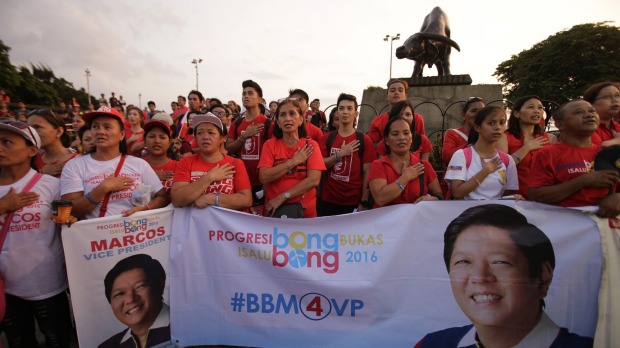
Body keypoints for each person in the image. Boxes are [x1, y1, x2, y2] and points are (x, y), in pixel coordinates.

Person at [415, 204, 593, 347]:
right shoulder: (432, 344)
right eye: (463, 262)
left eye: (499, 262)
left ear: (542, 276)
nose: (479, 276)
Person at [0, 119, 73, 347]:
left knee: (57, 340)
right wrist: (2, 206)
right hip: (6, 289)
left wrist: (69, 221)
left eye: (7, 142)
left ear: (32, 149)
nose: (0, 148)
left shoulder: (51, 185)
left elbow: (65, 221)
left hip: (47, 285)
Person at [60, 106, 168, 219]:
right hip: (95, 235)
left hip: (133, 234)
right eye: (95, 127)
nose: (100, 131)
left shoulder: (139, 164)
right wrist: (103, 188)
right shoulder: (75, 165)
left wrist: (145, 208)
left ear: (121, 135)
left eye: (107, 127)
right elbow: (68, 211)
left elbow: (162, 197)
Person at [529, 99, 620, 217]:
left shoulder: (609, 154)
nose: (589, 115)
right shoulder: (547, 154)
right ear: (560, 124)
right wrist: (584, 180)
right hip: (565, 228)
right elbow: (535, 196)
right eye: (579, 112)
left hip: (607, 230)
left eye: (592, 111)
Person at [258, 99, 325, 218]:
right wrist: (293, 162)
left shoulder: (311, 145)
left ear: (300, 120)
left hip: (304, 213)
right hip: (274, 211)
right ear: (278, 122)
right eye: (282, 115)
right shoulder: (269, 145)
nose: (287, 118)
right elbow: (264, 177)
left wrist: (282, 197)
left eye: (292, 114)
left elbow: (314, 180)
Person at [172, 114, 252, 210]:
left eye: (211, 133)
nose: (205, 137)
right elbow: (177, 199)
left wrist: (212, 199)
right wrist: (209, 177)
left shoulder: (235, 163)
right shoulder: (186, 162)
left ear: (223, 138)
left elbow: (246, 199)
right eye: (200, 133)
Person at [318, 93, 376, 215]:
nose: (345, 112)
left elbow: (368, 172)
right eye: (341, 108)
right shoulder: (327, 138)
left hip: (353, 202)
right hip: (328, 200)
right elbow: (320, 165)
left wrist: (364, 201)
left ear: (356, 114)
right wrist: (338, 155)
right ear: (337, 112)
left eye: (349, 108)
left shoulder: (364, 140)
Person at [445, 105, 519, 200]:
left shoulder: (507, 160)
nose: (498, 127)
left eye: (502, 123)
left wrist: (514, 198)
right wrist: (485, 171)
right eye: (491, 123)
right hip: (467, 212)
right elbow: (457, 193)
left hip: (495, 213)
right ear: (477, 127)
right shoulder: (461, 155)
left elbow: (506, 195)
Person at [99, 254, 172, 348]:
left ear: (160, 285)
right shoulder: (108, 346)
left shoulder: (189, 327)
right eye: (119, 294)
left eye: (140, 286)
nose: (130, 299)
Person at [368, 116, 442, 207]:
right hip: (386, 220)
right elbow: (380, 199)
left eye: (406, 133)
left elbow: (439, 195)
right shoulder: (378, 165)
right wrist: (405, 178)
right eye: (395, 134)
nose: (402, 138)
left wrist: (433, 199)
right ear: (386, 140)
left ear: (412, 138)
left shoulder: (423, 166)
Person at [497, 96, 557, 198]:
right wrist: (526, 148)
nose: (536, 111)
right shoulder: (504, 138)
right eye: (530, 107)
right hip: (516, 198)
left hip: (545, 198)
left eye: (540, 108)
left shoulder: (550, 139)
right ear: (516, 113)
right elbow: (501, 168)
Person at [226, 80, 273, 209]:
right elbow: (229, 148)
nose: (246, 96)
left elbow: (274, 155)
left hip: (261, 182)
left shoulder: (268, 124)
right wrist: (244, 136)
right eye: (244, 93)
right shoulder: (237, 124)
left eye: (250, 93)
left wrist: (267, 184)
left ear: (260, 100)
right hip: (241, 181)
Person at [367, 79, 426, 148]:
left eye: (400, 90)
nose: (396, 92)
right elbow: (372, 146)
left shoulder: (417, 118)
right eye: (392, 90)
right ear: (387, 97)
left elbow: (422, 143)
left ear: (405, 96)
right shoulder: (377, 121)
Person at [27, 108, 78, 178]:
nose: (31, 133)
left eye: (37, 127)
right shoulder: (30, 161)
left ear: (59, 131)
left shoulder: (79, 161)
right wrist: (40, 173)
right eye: (29, 129)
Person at [442, 97, 485, 166]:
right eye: (474, 111)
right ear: (463, 115)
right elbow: (446, 157)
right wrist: (471, 144)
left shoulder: (487, 134)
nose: (478, 115)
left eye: (482, 111)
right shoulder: (453, 134)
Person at [143, 120, 177, 195]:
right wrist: (149, 176)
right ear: (144, 142)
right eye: (151, 136)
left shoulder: (180, 167)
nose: (157, 141)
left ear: (169, 143)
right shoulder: (136, 167)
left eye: (162, 137)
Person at [584, 82, 620, 146]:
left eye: (617, 95)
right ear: (590, 104)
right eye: (608, 97)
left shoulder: (617, 127)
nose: (615, 100)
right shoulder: (586, 127)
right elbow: (596, 151)